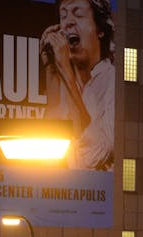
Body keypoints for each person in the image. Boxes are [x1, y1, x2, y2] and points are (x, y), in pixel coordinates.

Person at [40, 0, 115, 170]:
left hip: (101, 194)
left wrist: (65, 70)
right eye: (63, 16)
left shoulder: (113, 84)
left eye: (78, 14)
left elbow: (92, 155)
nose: (68, 21)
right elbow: (51, 139)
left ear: (100, 30)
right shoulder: (65, 82)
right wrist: (51, 69)